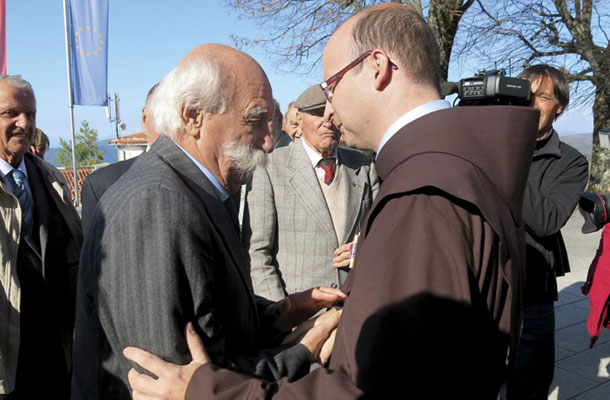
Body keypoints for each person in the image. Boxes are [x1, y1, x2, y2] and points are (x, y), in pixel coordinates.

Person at [123, 4, 540, 398]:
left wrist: (210, 391)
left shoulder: (422, 197)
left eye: (332, 84)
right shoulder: (451, 168)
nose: (331, 107)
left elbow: (375, 390)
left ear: (377, 68)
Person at [72, 44, 344, 400]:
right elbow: (177, 382)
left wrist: (278, 315)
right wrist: (305, 348)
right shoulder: (157, 204)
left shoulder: (197, 191)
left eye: (271, 122)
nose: (267, 143)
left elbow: (211, 324)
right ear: (193, 116)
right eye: (254, 120)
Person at [247, 84, 379, 301]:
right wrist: (283, 313)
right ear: (299, 118)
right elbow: (257, 254)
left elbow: (383, 234)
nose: (328, 120)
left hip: (356, 310)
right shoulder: (269, 169)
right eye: (318, 113)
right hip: (299, 320)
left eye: (334, 113)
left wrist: (362, 249)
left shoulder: (365, 166)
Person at [507, 65, 589, 400]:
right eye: (525, 95)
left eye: (542, 96)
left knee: (529, 385)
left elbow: (546, 219)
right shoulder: (488, 144)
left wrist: (507, 156)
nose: (531, 103)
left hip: (532, 291)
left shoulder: (570, 162)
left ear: (559, 107)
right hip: (480, 287)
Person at [0, 75, 82, 399]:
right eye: (11, 114)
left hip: (58, 356)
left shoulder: (52, 180)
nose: (24, 123)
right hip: (8, 366)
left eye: (31, 114)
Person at [80, 83, 160, 233]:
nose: (172, 125)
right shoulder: (102, 185)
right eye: (163, 116)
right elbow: (93, 254)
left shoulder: (211, 183)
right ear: (144, 117)